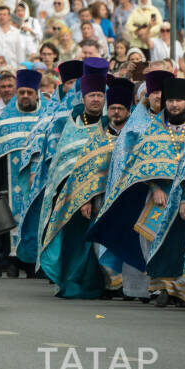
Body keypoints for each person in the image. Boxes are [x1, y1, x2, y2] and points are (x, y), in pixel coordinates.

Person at [89, 77, 185, 307]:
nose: (174, 105)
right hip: (160, 197)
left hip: (183, 196)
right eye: (171, 100)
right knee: (153, 238)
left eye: (179, 100)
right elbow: (137, 165)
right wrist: (154, 187)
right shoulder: (153, 131)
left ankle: (180, 289)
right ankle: (162, 288)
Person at [40, 78, 134, 299]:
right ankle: (97, 283)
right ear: (83, 99)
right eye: (92, 95)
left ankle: (121, 285)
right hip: (90, 195)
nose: (96, 99)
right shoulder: (79, 128)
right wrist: (83, 198)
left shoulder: (123, 130)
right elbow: (79, 166)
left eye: (100, 96)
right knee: (90, 242)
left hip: (122, 196)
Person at [0, 68, 44, 276]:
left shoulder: (46, 116)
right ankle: (15, 261)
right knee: (13, 216)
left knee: (38, 218)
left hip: (41, 182)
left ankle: (37, 262)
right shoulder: (6, 119)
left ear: (37, 94)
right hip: (12, 182)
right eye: (22, 92)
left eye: (29, 92)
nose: (25, 96)